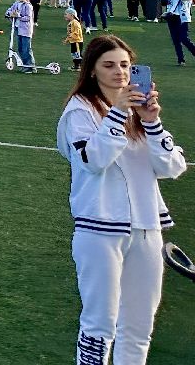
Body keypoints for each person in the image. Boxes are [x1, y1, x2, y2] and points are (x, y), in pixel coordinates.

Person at [56, 34, 187, 364]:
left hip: (147, 230)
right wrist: (116, 114)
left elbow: (172, 167)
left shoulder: (140, 112)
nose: (120, 72)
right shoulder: (79, 111)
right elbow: (93, 160)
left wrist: (152, 122)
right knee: (99, 324)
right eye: (109, 65)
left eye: (126, 65)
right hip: (98, 230)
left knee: (140, 326)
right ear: (92, 70)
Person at [158, 0, 195, 66]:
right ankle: (181, 59)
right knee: (175, 40)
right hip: (172, 18)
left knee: (184, 38)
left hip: (182, 19)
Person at [4, 0, 35, 73]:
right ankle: (25, 64)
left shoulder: (28, 6)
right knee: (20, 48)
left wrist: (18, 16)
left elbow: (28, 18)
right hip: (18, 29)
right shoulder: (16, 4)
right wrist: (10, 14)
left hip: (26, 30)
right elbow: (8, 11)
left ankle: (30, 66)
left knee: (26, 48)